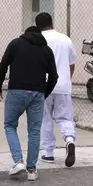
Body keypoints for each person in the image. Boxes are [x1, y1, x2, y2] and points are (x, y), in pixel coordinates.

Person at [0, 26, 58, 181]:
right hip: (37, 93)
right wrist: (43, 93)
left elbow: (2, 67)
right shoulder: (46, 50)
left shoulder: (15, 44)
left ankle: (18, 161)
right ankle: (31, 170)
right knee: (34, 131)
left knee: (10, 125)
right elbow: (54, 76)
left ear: (25, 33)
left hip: (16, 90)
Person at [36, 12, 77, 167]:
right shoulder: (65, 39)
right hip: (63, 85)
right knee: (65, 118)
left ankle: (48, 153)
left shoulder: (39, 41)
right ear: (52, 24)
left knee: (45, 118)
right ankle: (69, 140)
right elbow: (71, 63)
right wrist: (67, 79)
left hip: (44, 85)